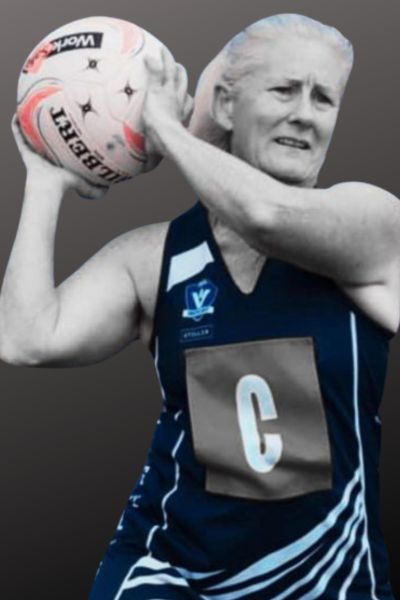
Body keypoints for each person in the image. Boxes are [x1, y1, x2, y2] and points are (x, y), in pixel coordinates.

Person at [0, 12, 399, 600]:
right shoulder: (157, 256)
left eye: (324, 98)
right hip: (172, 571)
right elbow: (26, 338)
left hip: (327, 580)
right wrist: (44, 183)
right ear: (229, 106)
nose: (305, 114)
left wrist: (168, 126)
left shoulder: (373, 223)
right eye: (284, 89)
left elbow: (266, 216)